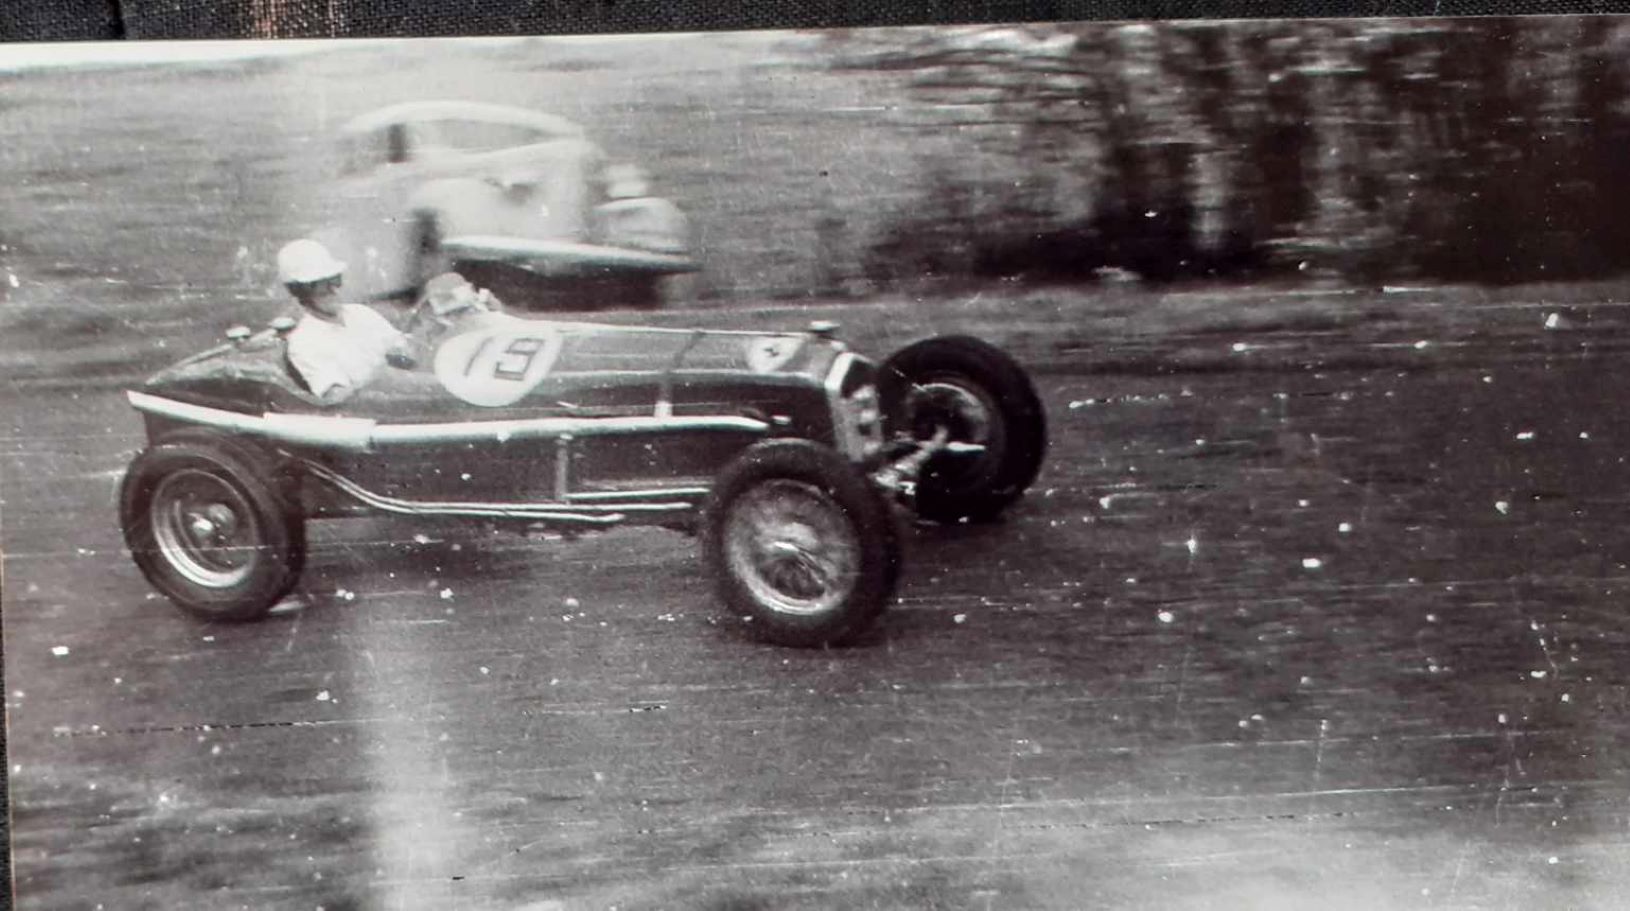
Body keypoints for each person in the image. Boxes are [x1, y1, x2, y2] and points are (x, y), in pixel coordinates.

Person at [276, 238, 417, 403]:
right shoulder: (304, 342)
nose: (331, 289)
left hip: (405, 396)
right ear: (300, 292)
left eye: (334, 279)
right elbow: (335, 398)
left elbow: (405, 351)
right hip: (372, 413)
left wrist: (417, 342)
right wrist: (378, 378)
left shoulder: (362, 314)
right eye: (318, 285)